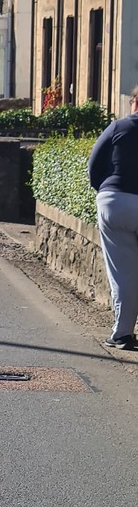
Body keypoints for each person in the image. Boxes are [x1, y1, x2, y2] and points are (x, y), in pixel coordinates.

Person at [88, 86, 138, 349]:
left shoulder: (119, 127)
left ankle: (122, 333)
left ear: (135, 103)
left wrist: (105, 191)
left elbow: (94, 165)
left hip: (115, 201)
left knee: (123, 272)